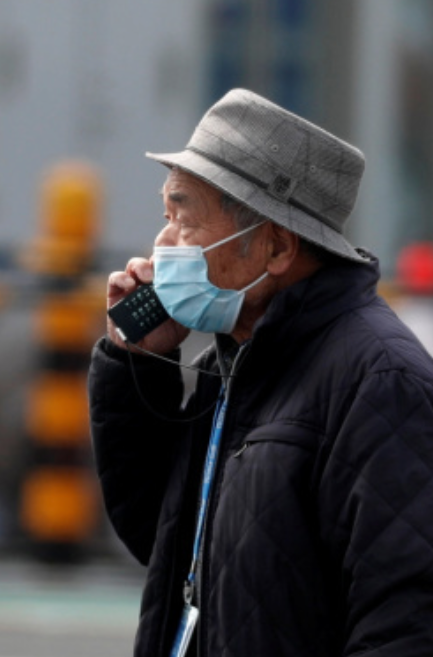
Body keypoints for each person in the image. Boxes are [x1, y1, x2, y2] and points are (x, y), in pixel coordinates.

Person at [89, 88, 433, 656]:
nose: (162, 244)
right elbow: (167, 543)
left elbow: (407, 618)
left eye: (186, 220)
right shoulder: (233, 362)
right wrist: (138, 365)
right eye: (166, 216)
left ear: (275, 248)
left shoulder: (380, 381)